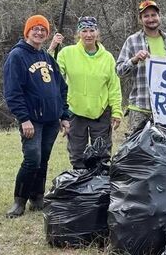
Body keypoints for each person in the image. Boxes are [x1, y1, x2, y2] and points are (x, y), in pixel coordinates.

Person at [2, 14, 71, 217]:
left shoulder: (47, 57)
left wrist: (64, 115)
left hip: (51, 120)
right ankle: (19, 200)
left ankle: (37, 197)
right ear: (27, 31)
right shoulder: (17, 56)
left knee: (44, 160)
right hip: (32, 121)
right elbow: (13, 92)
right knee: (32, 159)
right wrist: (24, 118)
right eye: (35, 28)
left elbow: (62, 88)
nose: (39, 32)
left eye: (43, 29)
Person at [47, 16, 122, 166]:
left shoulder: (107, 58)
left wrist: (116, 111)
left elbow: (114, 86)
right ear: (78, 34)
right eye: (84, 31)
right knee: (77, 157)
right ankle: (79, 187)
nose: (88, 34)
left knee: (101, 157)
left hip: (100, 113)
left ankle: (100, 188)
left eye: (92, 30)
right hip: (75, 113)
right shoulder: (67, 53)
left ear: (97, 33)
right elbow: (50, 71)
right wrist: (52, 48)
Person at [115, 0, 166, 134]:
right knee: (138, 152)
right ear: (140, 19)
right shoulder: (132, 41)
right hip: (141, 107)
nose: (151, 19)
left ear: (159, 16)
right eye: (146, 16)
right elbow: (119, 71)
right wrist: (134, 60)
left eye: (153, 15)